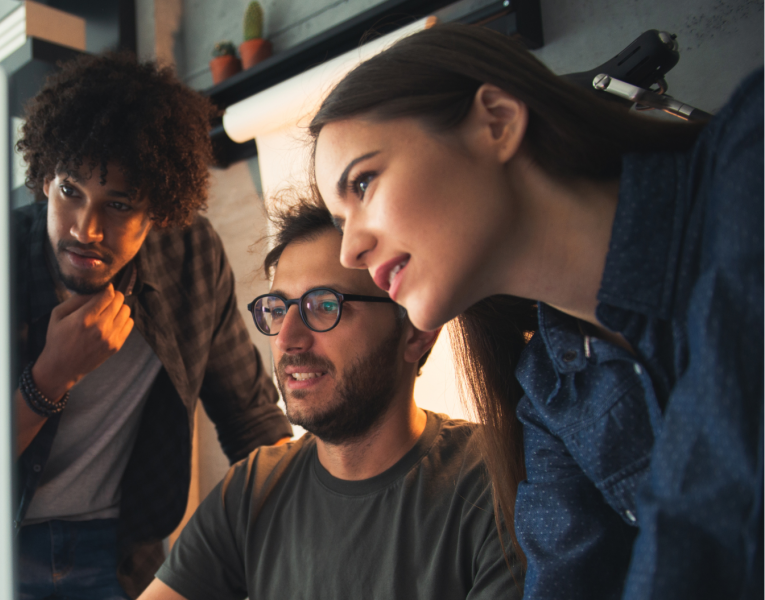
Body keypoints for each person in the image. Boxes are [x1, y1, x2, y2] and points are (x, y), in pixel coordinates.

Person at [309, 22, 762, 600]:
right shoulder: (549, 394)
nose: (350, 250)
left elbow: (710, 507)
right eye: (341, 222)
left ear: (496, 121)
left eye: (364, 183)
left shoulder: (748, 163)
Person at [12, 53, 292, 599]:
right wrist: (50, 376)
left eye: (118, 204)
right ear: (46, 179)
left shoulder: (190, 253)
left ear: (159, 212)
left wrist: (317, 518)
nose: (87, 229)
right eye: (71, 191)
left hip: (120, 553)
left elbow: (250, 419)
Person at [137, 203, 521, 600]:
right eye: (278, 308)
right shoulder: (253, 487)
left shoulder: (499, 478)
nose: (287, 338)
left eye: (324, 306)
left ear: (417, 332)